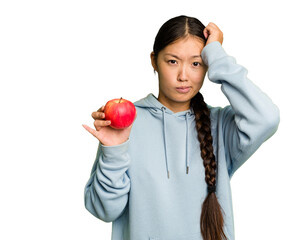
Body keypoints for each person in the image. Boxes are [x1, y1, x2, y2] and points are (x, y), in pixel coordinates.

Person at [83, 15, 280, 240]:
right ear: (154, 61)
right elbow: (104, 210)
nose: (183, 76)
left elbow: (267, 117)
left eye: (196, 63)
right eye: (172, 61)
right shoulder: (126, 125)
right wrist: (113, 152)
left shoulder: (222, 126)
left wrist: (217, 55)